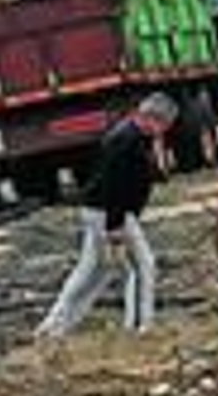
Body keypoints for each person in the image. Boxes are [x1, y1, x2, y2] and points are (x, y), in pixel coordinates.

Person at [35, 93, 178, 338]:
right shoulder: (125, 141)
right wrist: (115, 226)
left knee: (93, 270)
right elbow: (115, 186)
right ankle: (140, 327)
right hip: (109, 211)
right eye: (164, 126)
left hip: (104, 210)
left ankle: (55, 326)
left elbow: (157, 176)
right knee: (142, 266)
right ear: (153, 119)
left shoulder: (138, 136)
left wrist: (160, 149)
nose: (164, 131)